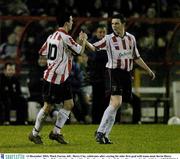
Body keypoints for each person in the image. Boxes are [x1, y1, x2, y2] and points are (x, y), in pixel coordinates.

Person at [83, 13, 155, 144]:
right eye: (112, 24)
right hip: (113, 72)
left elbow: (136, 57)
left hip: (126, 74)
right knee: (116, 103)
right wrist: (84, 41)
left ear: (123, 24)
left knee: (116, 105)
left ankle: (105, 135)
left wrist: (148, 69)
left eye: (116, 23)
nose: (114, 26)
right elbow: (94, 47)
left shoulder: (131, 38)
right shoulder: (109, 38)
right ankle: (100, 131)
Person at [28, 12, 87, 144]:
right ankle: (34, 133)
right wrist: (83, 40)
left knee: (69, 104)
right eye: (71, 20)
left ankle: (56, 132)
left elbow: (43, 52)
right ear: (66, 23)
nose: (72, 22)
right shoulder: (66, 37)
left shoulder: (52, 36)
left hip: (62, 77)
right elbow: (80, 51)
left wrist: (61, 55)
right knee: (48, 107)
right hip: (53, 78)